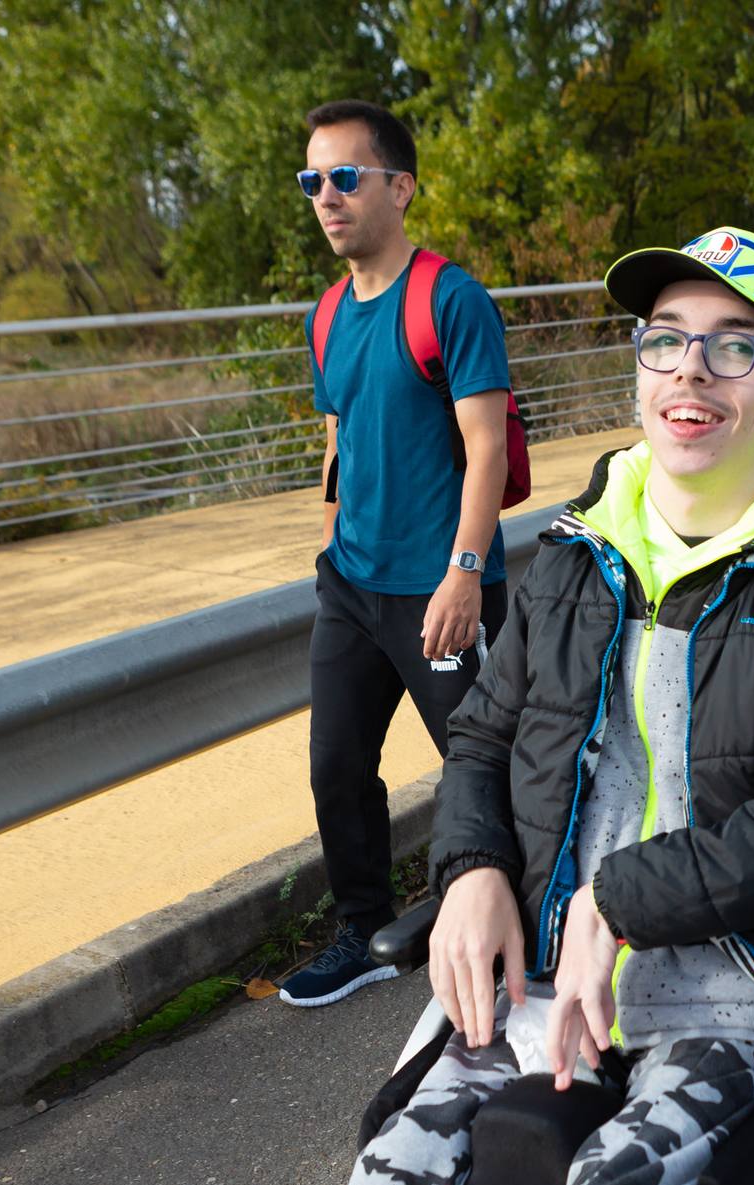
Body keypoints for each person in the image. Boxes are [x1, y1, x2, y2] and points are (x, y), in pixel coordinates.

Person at [287, 227, 754, 1185]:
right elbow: (480, 737)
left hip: (734, 987)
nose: (689, 370)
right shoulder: (577, 553)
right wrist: (473, 867)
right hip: (543, 972)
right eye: (665, 342)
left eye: (736, 351)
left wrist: (620, 900)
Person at [282, 99, 513, 1008]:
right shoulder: (327, 313)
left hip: (438, 587)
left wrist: (463, 573)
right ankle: (359, 931)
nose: (326, 196)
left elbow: (487, 448)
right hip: (350, 583)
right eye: (313, 180)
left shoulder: (448, 298)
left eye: (346, 176)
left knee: (480, 764)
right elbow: (341, 421)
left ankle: (505, 916)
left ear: (400, 187)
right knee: (336, 765)